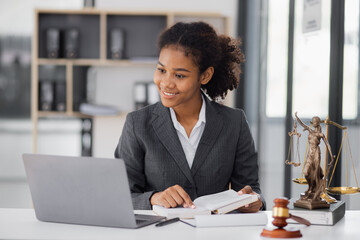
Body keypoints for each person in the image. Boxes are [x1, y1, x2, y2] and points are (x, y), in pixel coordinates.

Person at [115, 21, 265, 212]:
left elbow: (251, 190)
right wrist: (154, 198)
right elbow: (120, 196)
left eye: (179, 76)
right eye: (161, 70)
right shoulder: (137, 124)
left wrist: (253, 201)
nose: (166, 83)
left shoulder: (234, 123)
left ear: (205, 75)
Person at [294, 112, 334, 201]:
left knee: (316, 173)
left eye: (315, 121)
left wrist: (331, 156)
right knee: (306, 172)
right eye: (313, 121)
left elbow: (327, 144)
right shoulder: (310, 130)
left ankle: (313, 190)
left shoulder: (320, 134)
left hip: (316, 152)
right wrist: (297, 117)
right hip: (310, 153)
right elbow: (302, 124)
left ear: (318, 123)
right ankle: (310, 187)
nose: (313, 122)